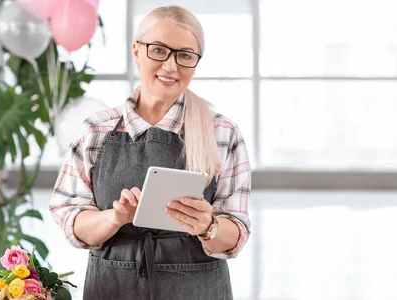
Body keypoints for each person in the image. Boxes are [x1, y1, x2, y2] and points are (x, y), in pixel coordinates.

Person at [49, 5, 251, 300]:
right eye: (159, 50)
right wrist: (115, 218)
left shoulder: (223, 133)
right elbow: (72, 224)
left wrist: (209, 226)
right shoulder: (96, 131)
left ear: (196, 63)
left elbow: (236, 234)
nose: (171, 66)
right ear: (137, 51)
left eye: (185, 55)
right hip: (112, 289)